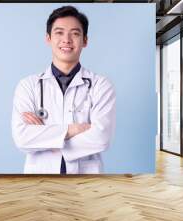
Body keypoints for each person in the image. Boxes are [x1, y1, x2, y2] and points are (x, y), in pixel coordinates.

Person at [11, 6, 116, 174]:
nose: (66, 40)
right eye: (59, 33)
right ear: (48, 38)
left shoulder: (100, 85)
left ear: (85, 40)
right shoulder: (28, 85)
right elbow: (23, 138)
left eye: (75, 33)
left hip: (86, 178)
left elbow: (101, 138)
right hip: (40, 177)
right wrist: (71, 130)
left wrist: (46, 138)